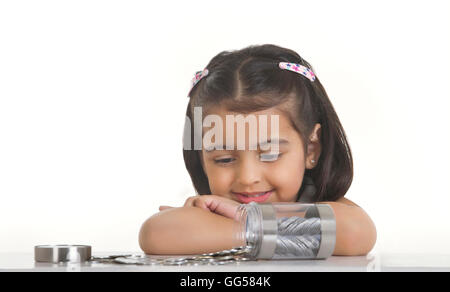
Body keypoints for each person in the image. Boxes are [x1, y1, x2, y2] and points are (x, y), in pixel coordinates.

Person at [139, 44, 376, 256]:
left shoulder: (329, 208)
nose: (248, 178)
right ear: (201, 157)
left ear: (311, 149)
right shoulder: (206, 213)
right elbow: (155, 233)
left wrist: (247, 220)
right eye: (224, 159)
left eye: (270, 154)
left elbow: (355, 231)